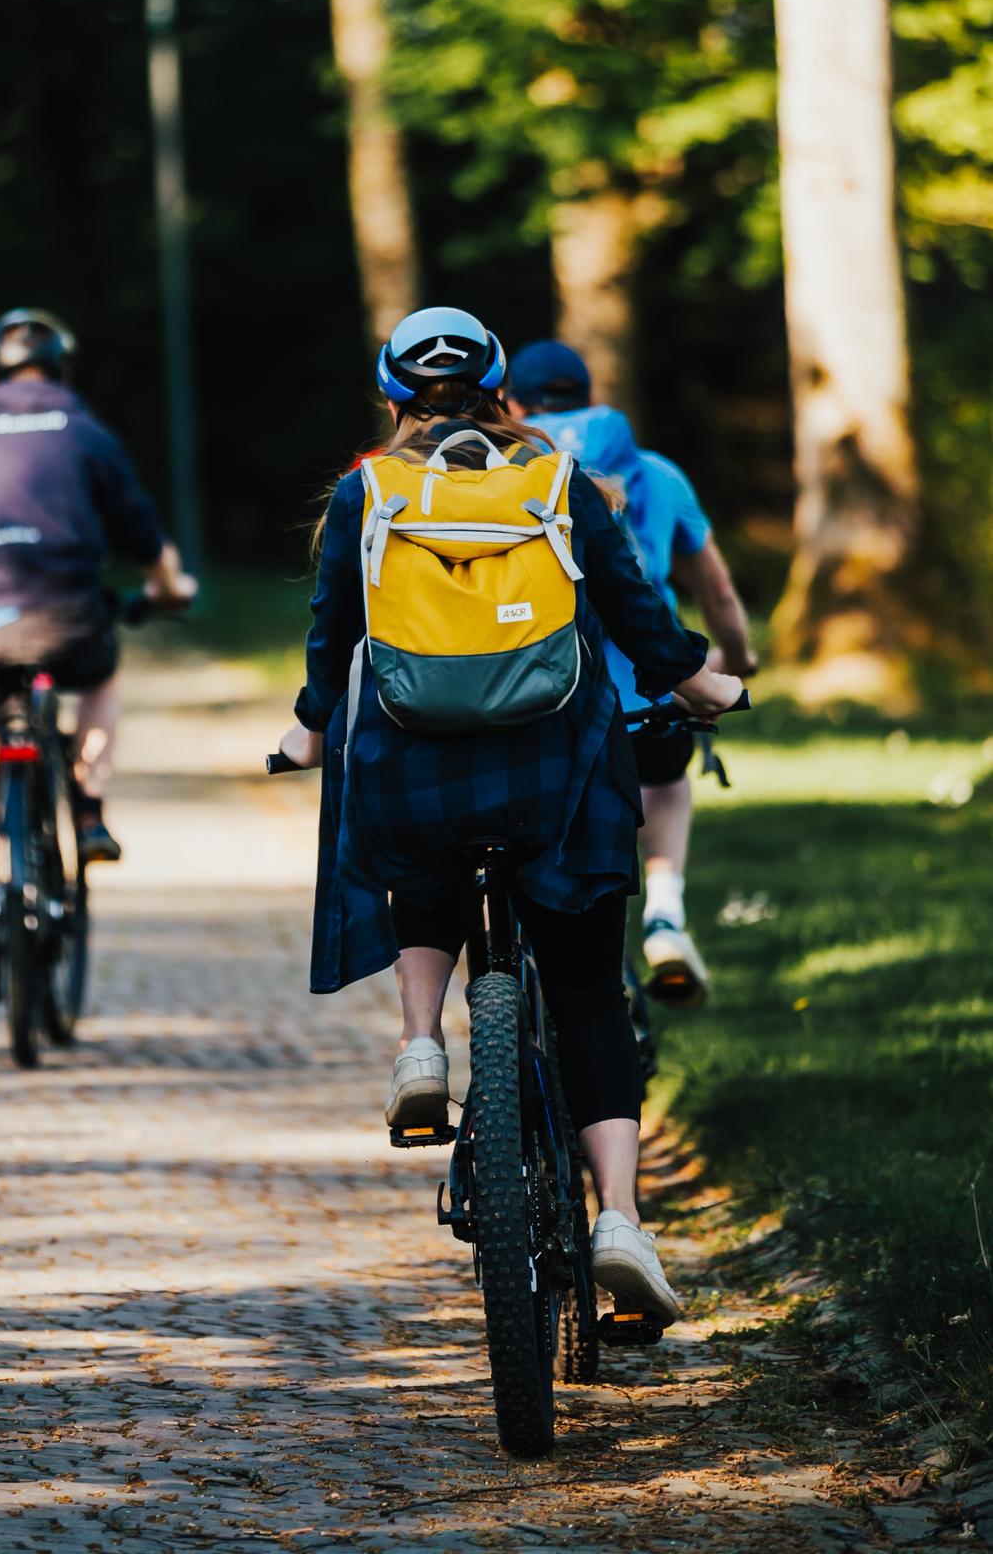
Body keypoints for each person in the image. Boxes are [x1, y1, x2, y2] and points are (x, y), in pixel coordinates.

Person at [276, 306, 741, 1323]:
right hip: (555, 770)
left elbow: (331, 641)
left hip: (414, 768)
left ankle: (420, 1045)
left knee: (420, 855)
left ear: (393, 396)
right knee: (582, 989)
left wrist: (310, 731)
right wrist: (697, 681)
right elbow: (635, 616)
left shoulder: (368, 490)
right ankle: (618, 1213)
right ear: (502, 392)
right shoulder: (562, 482)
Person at [0, 308, 196, 1012]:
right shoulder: (85, 432)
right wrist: (169, 589)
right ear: (60, 373)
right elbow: (145, 537)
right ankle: (88, 811)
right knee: (101, 674)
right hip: (67, 621)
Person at [505, 339, 757, 1006]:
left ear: (511, 403)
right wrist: (735, 659)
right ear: (590, 397)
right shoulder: (656, 474)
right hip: (652, 687)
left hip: (537, 692)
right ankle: (665, 913)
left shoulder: (506, 473)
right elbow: (719, 594)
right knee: (667, 781)